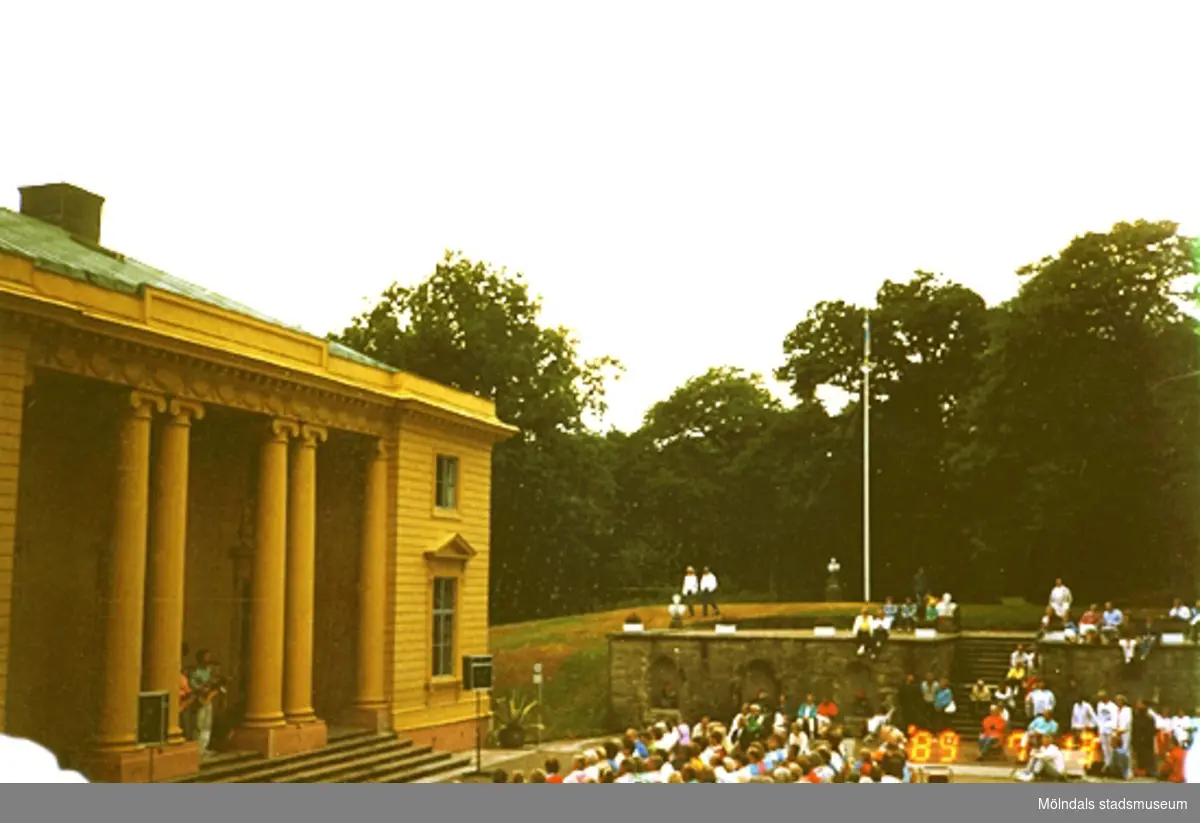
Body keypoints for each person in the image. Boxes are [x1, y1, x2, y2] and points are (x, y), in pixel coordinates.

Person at [188, 649, 224, 760]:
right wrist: (203, 688)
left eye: (209, 657)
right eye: (206, 657)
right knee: (199, 724)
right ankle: (198, 749)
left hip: (209, 700)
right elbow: (193, 685)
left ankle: (205, 747)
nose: (208, 659)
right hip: (200, 700)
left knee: (207, 724)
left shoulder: (208, 671)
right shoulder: (196, 672)